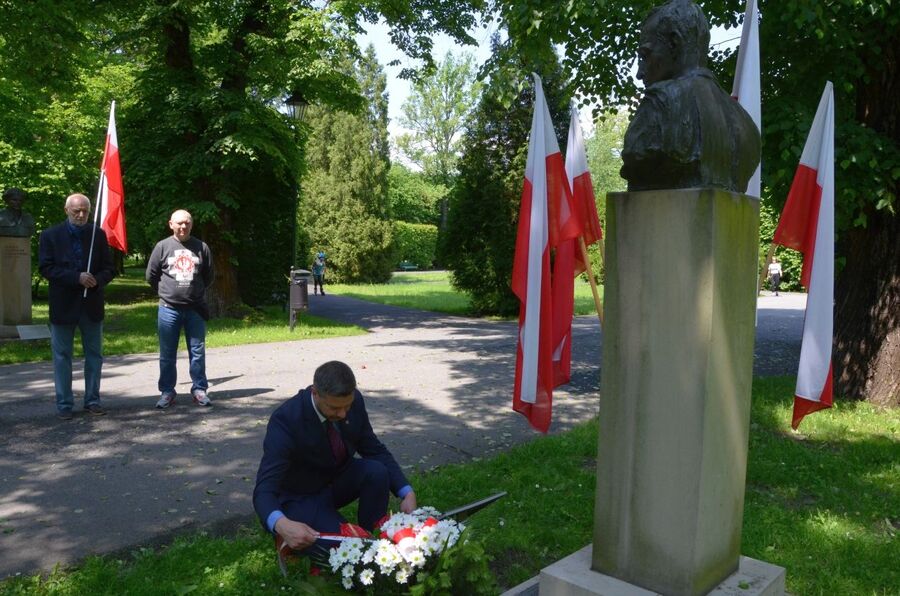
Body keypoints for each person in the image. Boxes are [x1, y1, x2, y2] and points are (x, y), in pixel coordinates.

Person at [253, 361, 416, 557]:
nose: (343, 413)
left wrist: (406, 491)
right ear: (315, 393)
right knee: (347, 549)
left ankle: (377, 534)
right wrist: (281, 524)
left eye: (347, 405)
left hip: (334, 482)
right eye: (334, 408)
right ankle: (292, 537)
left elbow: (374, 449)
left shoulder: (353, 402)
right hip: (300, 498)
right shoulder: (286, 420)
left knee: (377, 471)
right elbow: (264, 489)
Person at [620, 0, 760, 193]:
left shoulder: (659, 105)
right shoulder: (745, 124)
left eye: (646, 55)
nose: (640, 73)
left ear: (674, 43)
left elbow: (634, 159)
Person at [38, 193, 115, 419]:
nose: (81, 215)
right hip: (63, 306)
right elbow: (46, 268)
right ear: (66, 211)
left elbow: (109, 269)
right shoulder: (50, 235)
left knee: (94, 355)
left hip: (91, 305)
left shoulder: (97, 235)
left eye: (85, 211)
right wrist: (76, 277)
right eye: (76, 211)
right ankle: (64, 404)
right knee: (62, 356)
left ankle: (92, 400)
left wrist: (97, 280)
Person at [145, 209, 214, 408]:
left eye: (187, 223)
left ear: (191, 225)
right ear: (171, 224)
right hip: (168, 309)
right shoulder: (162, 246)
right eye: (179, 223)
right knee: (167, 353)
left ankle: (199, 389)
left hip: (195, 309)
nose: (183, 226)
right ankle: (167, 391)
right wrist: (168, 292)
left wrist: (194, 293)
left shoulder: (201, 247)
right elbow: (151, 276)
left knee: (198, 351)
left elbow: (208, 275)